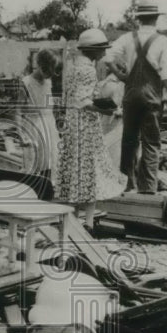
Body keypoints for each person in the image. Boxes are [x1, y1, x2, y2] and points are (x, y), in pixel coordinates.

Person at [56, 28, 126, 228]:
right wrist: (105, 109)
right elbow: (84, 102)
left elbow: (72, 98)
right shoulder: (87, 69)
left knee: (75, 171)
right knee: (91, 170)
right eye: (102, 49)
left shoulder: (71, 66)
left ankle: (71, 221)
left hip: (72, 123)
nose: (104, 53)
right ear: (92, 50)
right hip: (85, 124)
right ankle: (87, 223)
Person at [104, 0, 167, 194]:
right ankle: (148, 188)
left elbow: (107, 58)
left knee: (129, 141)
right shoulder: (162, 41)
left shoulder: (127, 38)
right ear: (156, 18)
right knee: (151, 142)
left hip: (130, 97)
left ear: (139, 19)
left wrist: (119, 75)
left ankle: (126, 184)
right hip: (151, 98)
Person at [19, 49, 60, 181]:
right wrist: (20, 133)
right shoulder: (26, 83)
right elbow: (17, 110)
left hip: (49, 126)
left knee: (50, 162)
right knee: (33, 164)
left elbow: (49, 105)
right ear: (40, 66)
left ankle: (46, 193)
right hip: (33, 127)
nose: (48, 76)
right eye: (47, 71)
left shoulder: (48, 82)